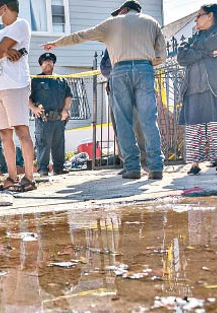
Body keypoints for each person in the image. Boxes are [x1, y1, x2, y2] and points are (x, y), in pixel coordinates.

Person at [43, 0, 167, 180]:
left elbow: (81, 35)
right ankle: (156, 167)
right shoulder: (152, 22)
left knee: (123, 121)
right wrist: (144, 62)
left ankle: (132, 168)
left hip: (120, 71)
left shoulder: (112, 23)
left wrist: (56, 43)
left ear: (124, 10)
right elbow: (161, 56)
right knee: (149, 118)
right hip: (144, 70)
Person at [0, 0, 36, 192]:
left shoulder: (21, 25)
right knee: (4, 134)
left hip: (16, 85)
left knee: (22, 131)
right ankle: (12, 177)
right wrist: (5, 52)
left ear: (4, 7)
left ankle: (29, 178)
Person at [177, 3, 217, 176]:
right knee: (194, 127)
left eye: (199, 15)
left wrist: (195, 51)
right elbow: (181, 56)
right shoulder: (197, 35)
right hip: (193, 87)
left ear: (210, 15)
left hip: (216, 86)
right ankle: (195, 164)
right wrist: (208, 52)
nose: (195, 19)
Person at [100, 49, 148, 174]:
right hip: (114, 90)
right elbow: (103, 67)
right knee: (119, 128)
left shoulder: (132, 41)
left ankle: (145, 162)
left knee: (139, 126)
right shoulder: (110, 46)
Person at [29, 53, 72, 176]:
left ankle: (59, 168)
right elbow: (27, 97)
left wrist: (65, 110)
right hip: (44, 118)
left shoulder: (61, 80)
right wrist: (33, 108)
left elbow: (68, 96)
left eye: (50, 61)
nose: (48, 63)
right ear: (41, 65)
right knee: (43, 144)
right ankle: (43, 169)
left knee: (59, 144)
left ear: (53, 63)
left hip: (59, 117)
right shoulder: (36, 80)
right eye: (45, 61)